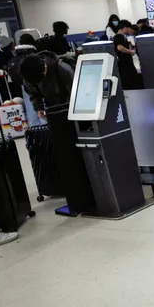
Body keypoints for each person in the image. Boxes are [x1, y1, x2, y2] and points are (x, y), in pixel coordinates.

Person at [19, 52, 96, 215]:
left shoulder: (62, 68)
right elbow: (33, 93)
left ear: (44, 66)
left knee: (77, 156)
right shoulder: (30, 74)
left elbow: (77, 91)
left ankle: (88, 195)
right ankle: (76, 198)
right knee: (65, 157)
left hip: (72, 112)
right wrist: (39, 107)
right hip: (55, 115)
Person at [112, 20, 143, 90]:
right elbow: (119, 47)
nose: (129, 30)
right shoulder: (119, 36)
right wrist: (130, 52)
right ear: (125, 27)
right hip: (125, 66)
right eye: (128, 28)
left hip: (124, 65)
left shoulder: (118, 37)